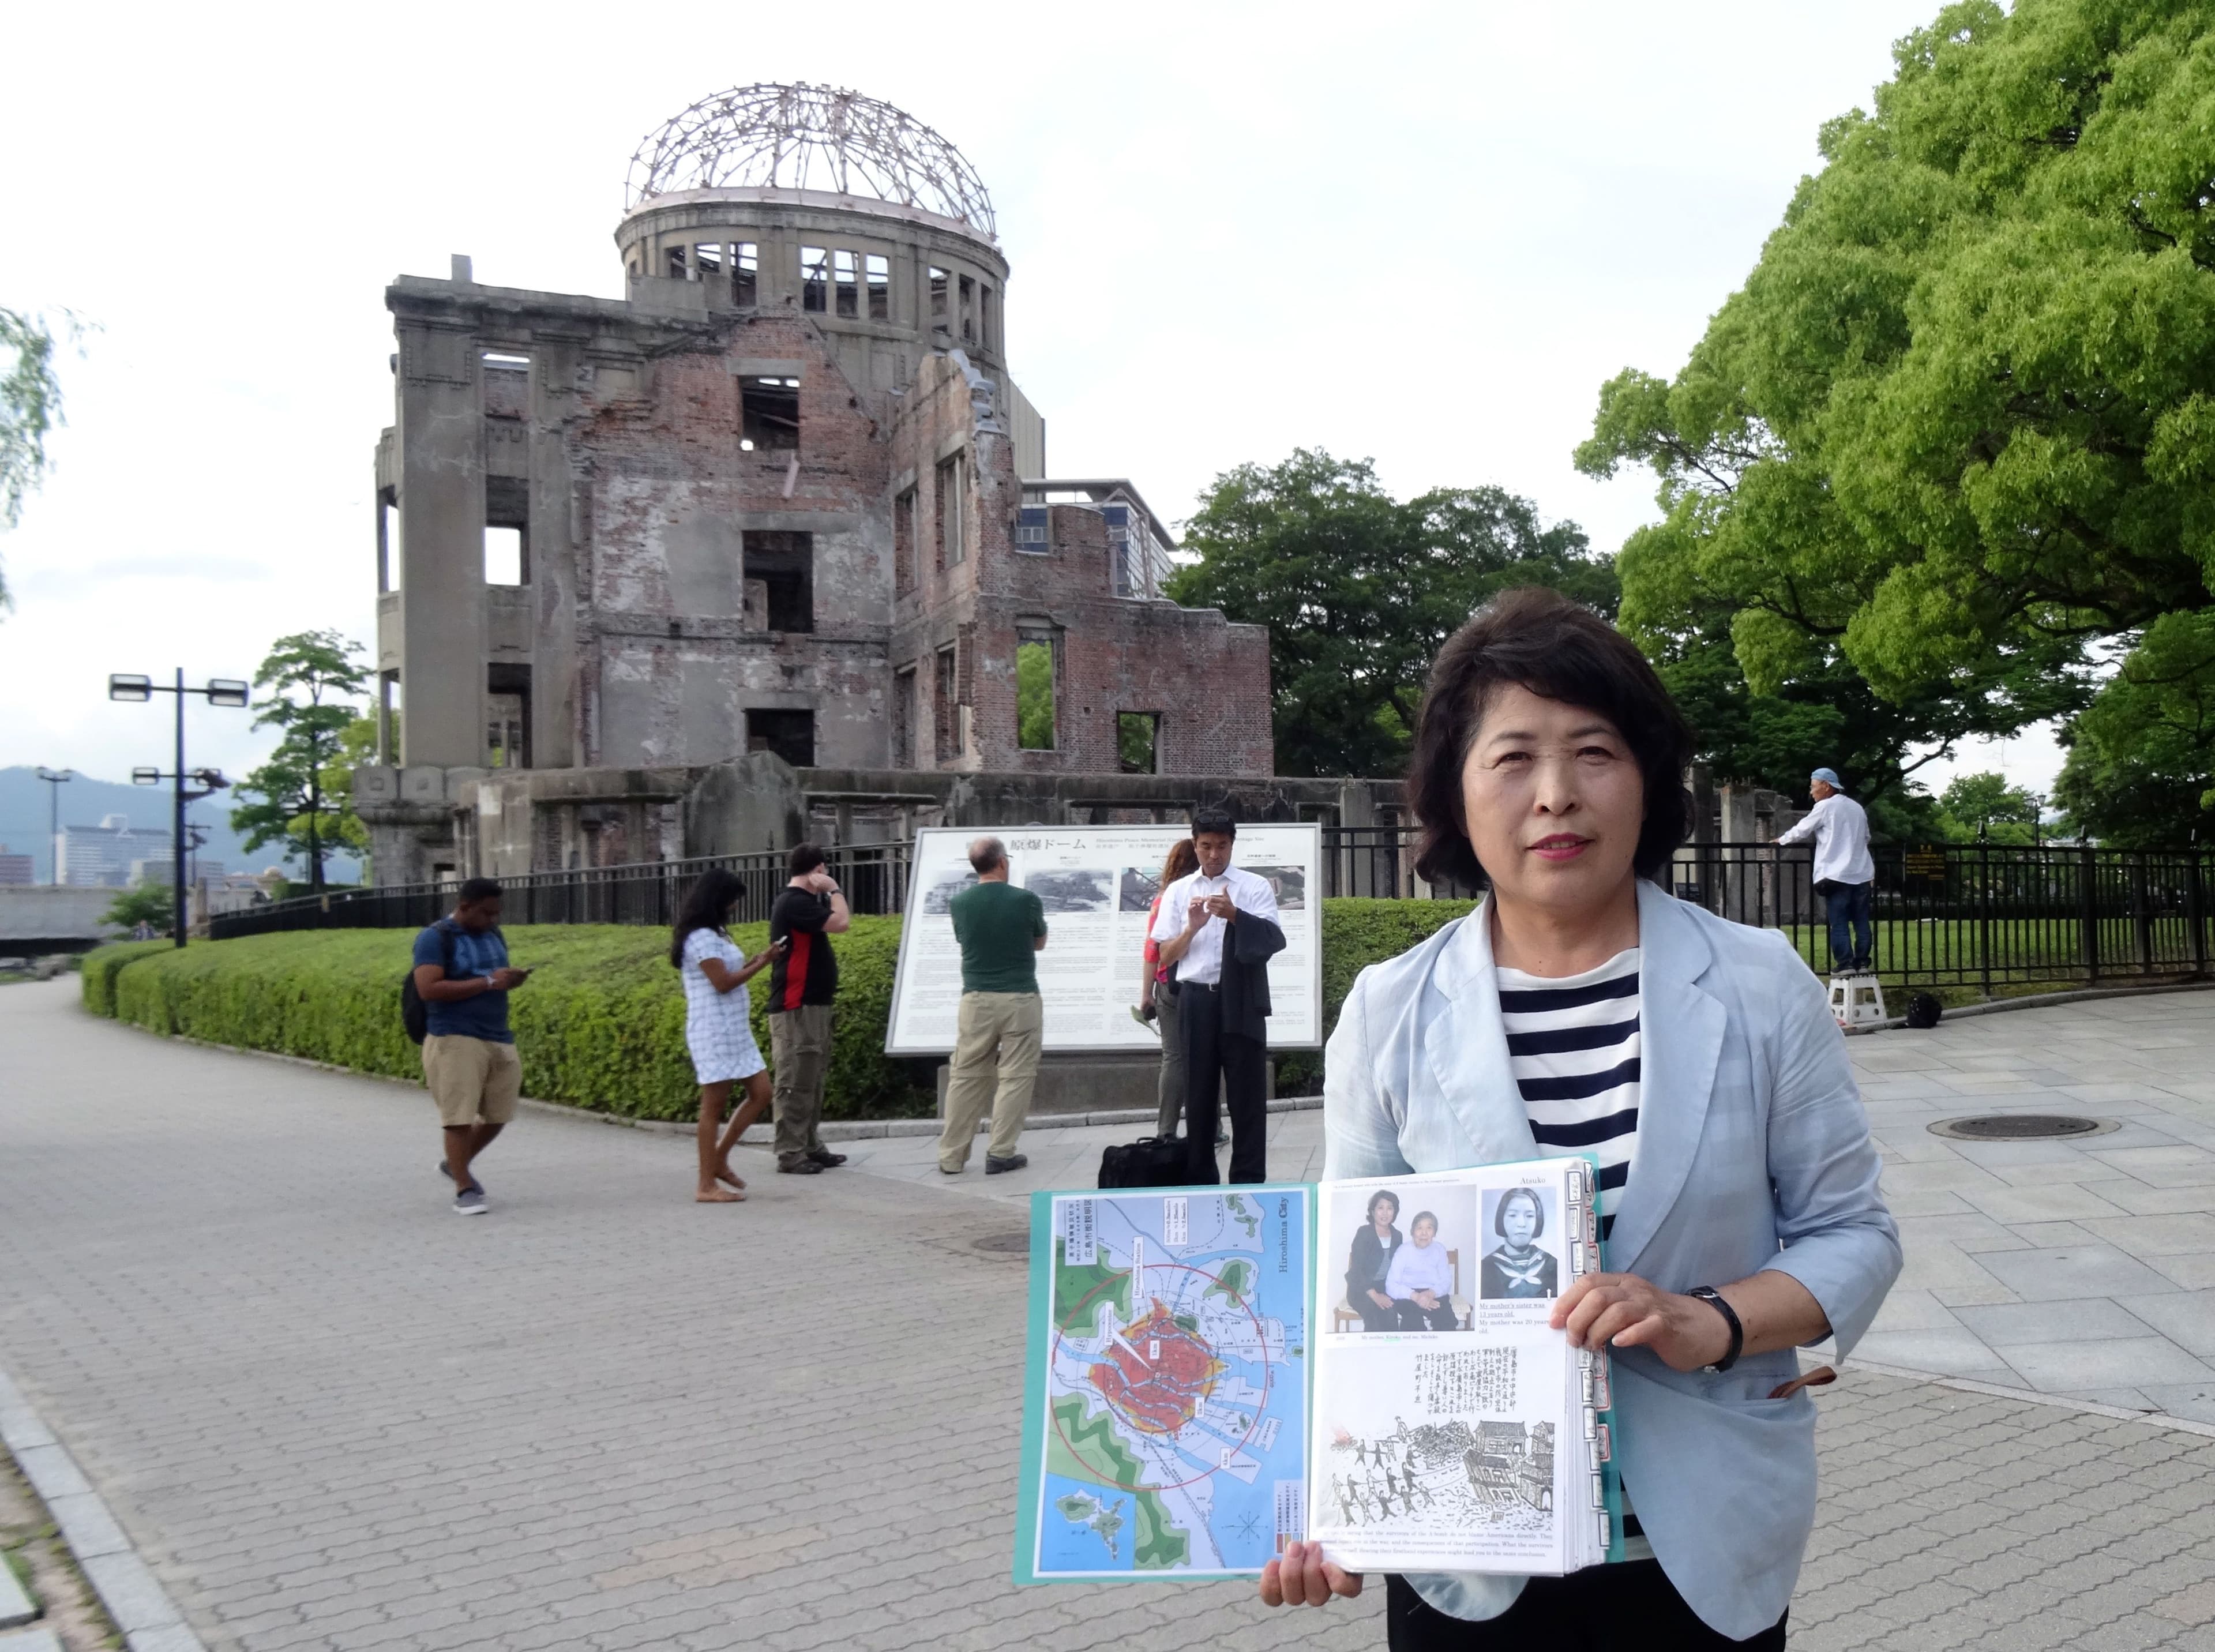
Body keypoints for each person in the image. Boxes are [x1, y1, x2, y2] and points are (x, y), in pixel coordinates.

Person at [1260, 587, 1899, 1648]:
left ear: (1646, 780)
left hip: (1700, 1556)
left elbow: (1856, 1233)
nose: (1556, 793)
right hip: (1467, 1557)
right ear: (1456, 796)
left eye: (1593, 750)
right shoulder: (1390, 1008)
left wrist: (1714, 1318)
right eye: (1512, 757)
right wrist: (1305, 1501)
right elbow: (1343, 1289)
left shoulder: (1757, 982)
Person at [1151, 809, 1286, 1184]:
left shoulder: (1253, 886)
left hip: (1240, 998)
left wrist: (1236, 915)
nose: (1214, 855)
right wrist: (1192, 929)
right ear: (1195, 846)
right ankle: (1201, 1178)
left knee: (1247, 1095)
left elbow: (1274, 939)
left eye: (1222, 846)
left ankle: (1248, 1179)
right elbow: (1165, 956)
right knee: (1199, 1094)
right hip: (1195, 1000)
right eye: (1206, 846)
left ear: (1232, 845)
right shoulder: (1179, 892)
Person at [411, 877, 530, 1215]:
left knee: (500, 1112)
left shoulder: (493, 934)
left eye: (497, 913)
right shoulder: (434, 938)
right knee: (458, 1116)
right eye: (487, 913)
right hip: (454, 1035)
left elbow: (493, 979)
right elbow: (428, 989)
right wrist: (488, 982)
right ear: (464, 907)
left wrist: (509, 980)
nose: (493, 920)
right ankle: (465, 1189)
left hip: (497, 1033)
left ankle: (455, 1164)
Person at [670, 868, 786, 1204]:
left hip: (735, 1029)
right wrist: (763, 963)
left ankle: (719, 1157)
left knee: (762, 1092)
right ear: (718, 899)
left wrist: (758, 960)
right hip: (713, 1031)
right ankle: (705, 1184)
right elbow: (722, 983)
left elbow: (731, 972)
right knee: (713, 1106)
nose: (736, 906)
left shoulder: (717, 933)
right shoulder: (701, 938)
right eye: (733, 900)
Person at [937, 836, 1049, 1175]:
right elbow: (1039, 942)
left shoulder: (960, 903)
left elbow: (963, 939)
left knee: (966, 1076)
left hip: (975, 999)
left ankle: (952, 1157)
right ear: (1002, 862)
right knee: (1016, 1075)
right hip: (1020, 998)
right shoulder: (1026, 900)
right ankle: (1001, 1152)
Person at [766, 844, 850, 1176]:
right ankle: (790, 1152)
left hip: (813, 1003)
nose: (828, 875)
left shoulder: (802, 903)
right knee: (796, 1079)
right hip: (796, 1005)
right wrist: (835, 890)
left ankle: (810, 1144)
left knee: (812, 1078)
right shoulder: (796, 902)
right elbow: (842, 922)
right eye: (825, 870)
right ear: (817, 870)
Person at [1773, 767, 1876, 974]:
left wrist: (1781, 840)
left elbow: (1803, 829)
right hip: (1862, 873)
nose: (1811, 792)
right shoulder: (1857, 808)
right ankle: (1863, 962)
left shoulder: (1825, 807)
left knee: (1839, 924)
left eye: (1813, 787)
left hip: (1836, 874)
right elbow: (1866, 838)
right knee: (1861, 922)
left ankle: (1845, 963)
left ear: (1826, 786)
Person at [1135, 839, 1201, 1137]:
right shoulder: (1204, 895)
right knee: (1204, 1055)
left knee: (1173, 1057)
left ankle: (1166, 1130)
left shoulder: (1163, 899)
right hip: (1202, 987)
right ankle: (1210, 1128)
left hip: (1168, 984)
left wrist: (1146, 994)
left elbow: (1153, 951)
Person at [1479, 1189, 1559, 1301]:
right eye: (1512, 1215)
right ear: (1501, 1219)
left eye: (1530, 1216)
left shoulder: (1552, 1265)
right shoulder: (1486, 1269)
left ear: (1538, 1220)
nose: (1522, 1224)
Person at [1386, 1211, 1460, 1331]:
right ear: (1413, 1232)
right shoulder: (1403, 1251)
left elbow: (1446, 1280)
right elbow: (1391, 1285)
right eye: (1419, 1228)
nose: (1424, 1233)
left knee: (1446, 1322)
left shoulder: (1439, 1249)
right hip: (1408, 1295)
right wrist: (1416, 1296)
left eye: (1429, 1228)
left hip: (1434, 1294)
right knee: (1412, 1323)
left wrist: (1430, 1294)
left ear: (1434, 1232)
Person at [1345, 1190, 1405, 1332]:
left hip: (1385, 1287)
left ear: (1395, 1212)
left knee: (1391, 1313)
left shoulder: (1397, 1235)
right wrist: (1375, 1295)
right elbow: (1357, 1270)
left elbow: (1398, 1268)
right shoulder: (1364, 1233)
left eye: (1390, 1208)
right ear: (1373, 1211)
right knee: (1374, 1316)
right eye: (1380, 1208)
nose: (1385, 1213)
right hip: (1361, 1289)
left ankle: (1392, 1353)